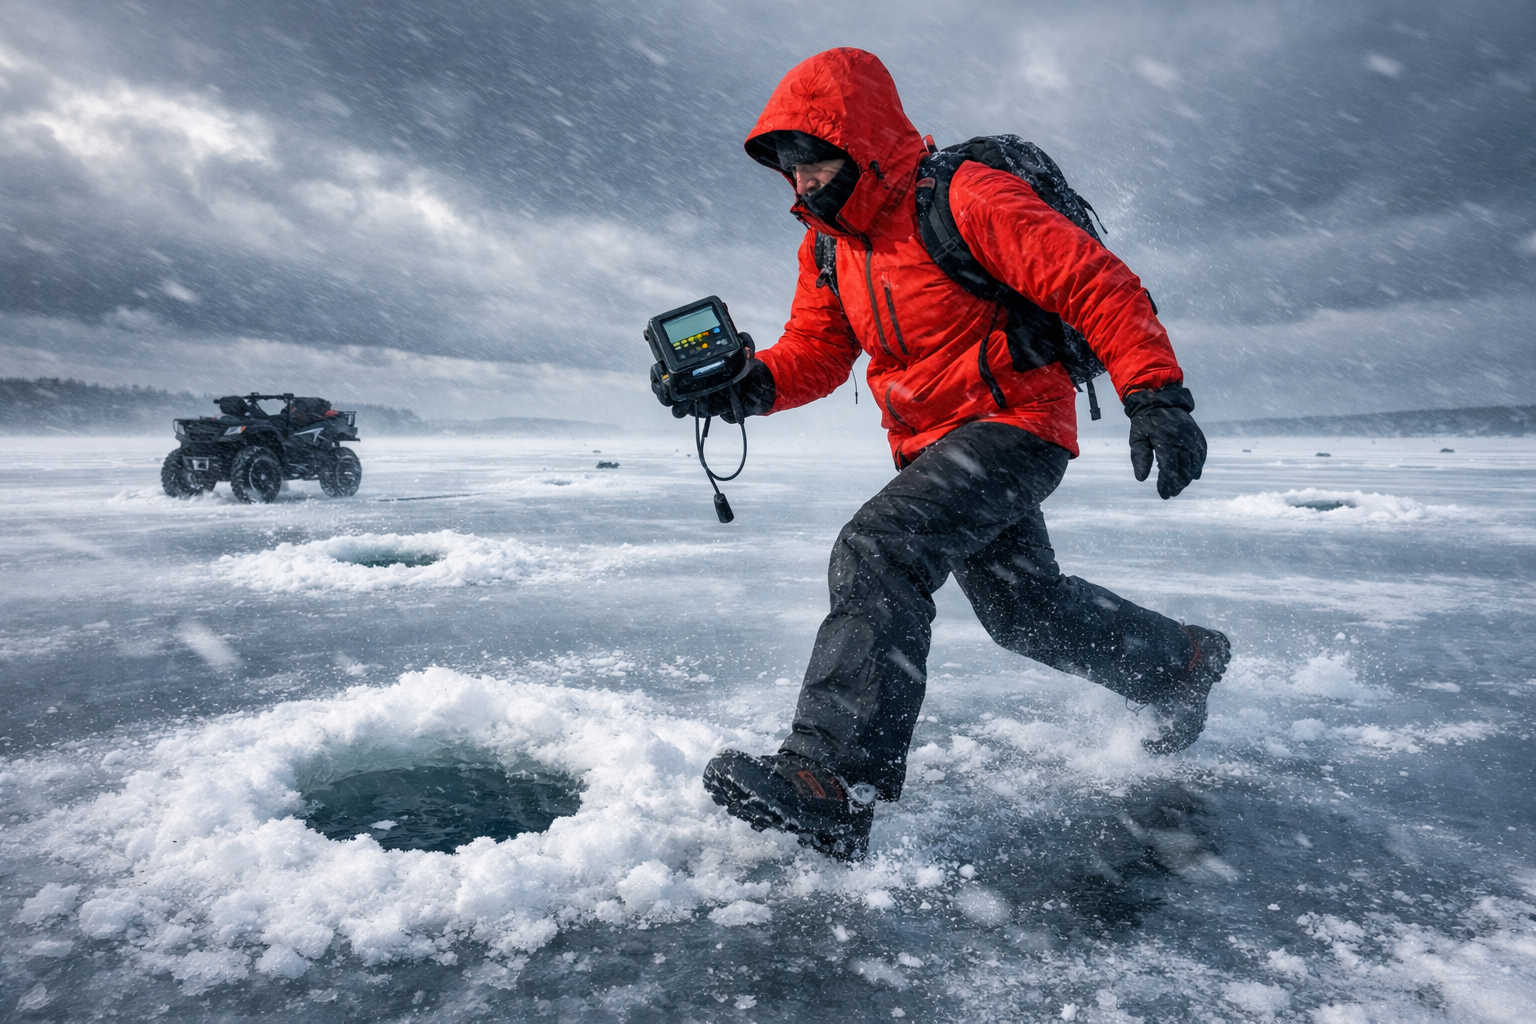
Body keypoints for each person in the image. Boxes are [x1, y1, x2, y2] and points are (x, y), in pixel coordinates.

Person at [655, 48, 1230, 862]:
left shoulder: (963, 196)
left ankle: (834, 779)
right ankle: (1180, 662)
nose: (801, 181)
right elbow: (818, 353)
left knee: (880, 548)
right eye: (787, 166)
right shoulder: (826, 246)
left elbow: (1095, 284)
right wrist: (742, 386)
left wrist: (1157, 397)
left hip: (1016, 425)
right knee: (1023, 612)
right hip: (933, 445)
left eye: (814, 157)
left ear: (861, 141)